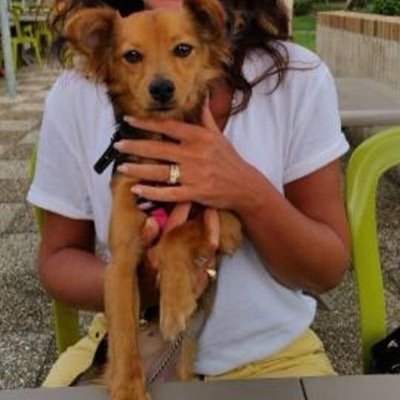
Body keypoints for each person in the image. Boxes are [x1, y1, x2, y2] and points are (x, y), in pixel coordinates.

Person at [28, 0, 350, 386]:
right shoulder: (74, 94)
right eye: (133, 57)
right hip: (127, 343)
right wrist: (146, 280)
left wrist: (247, 191)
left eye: (182, 50)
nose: (160, 78)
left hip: (272, 355)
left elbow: (327, 268)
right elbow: (57, 259)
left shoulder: (298, 78)